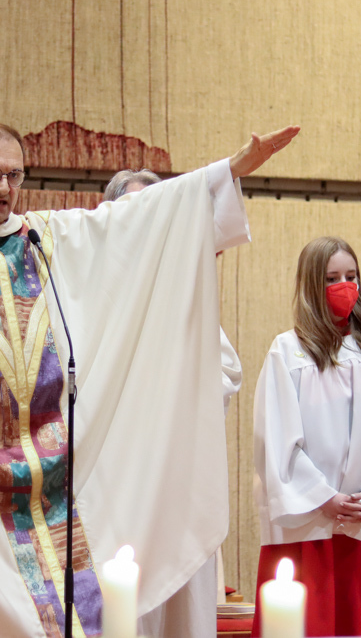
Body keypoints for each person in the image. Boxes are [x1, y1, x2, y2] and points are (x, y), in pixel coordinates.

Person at [0, 102, 299, 637]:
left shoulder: (45, 240)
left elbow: (134, 222)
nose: (3, 187)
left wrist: (226, 171)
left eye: (14, 175)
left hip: (55, 486)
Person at [102, 166, 243, 636]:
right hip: (116, 489)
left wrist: (169, 393)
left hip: (179, 487)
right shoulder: (93, 296)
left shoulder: (185, 296)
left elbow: (226, 374)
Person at [251, 236, 361, 637]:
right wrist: (323, 497)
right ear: (312, 284)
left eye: (351, 276)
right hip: (306, 524)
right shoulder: (287, 352)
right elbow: (277, 438)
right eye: (331, 278)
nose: (345, 286)